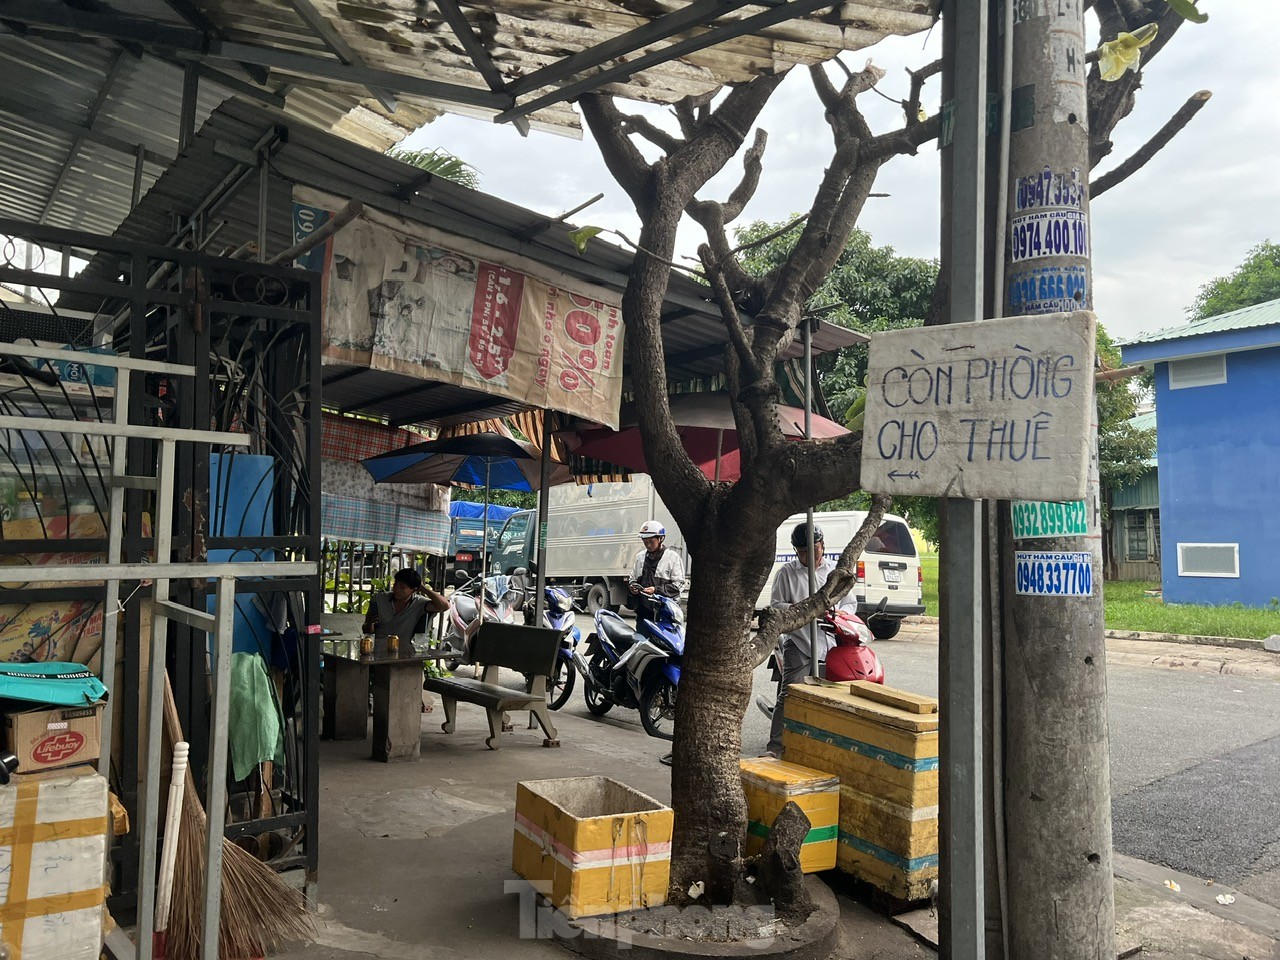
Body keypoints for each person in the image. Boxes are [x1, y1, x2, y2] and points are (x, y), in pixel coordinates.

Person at [765, 522, 858, 758]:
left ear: (822, 546)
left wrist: (837, 614)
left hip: (831, 644)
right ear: (797, 551)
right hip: (800, 642)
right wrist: (803, 610)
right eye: (803, 550)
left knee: (833, 697)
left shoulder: (833, 573)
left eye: (813, 548)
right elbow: (777, 606)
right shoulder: (786, 573)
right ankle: (775, 748)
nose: (809, 554)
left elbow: (850, 603)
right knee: (789, 694)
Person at [627, 520, 686, 628]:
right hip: (643, 613)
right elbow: (632, 578)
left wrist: (656, 590)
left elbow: (680, 584)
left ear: (661, 538)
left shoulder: (672, 558)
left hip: (665, 614)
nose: (648, 545)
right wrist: (633, 587)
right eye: (645, 542)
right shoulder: (640, 557)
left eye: (651, 541)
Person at [362, 568, 449, 640]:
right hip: (379, 650)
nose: (396, 589)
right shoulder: (379, 600)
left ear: (413, 590)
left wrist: (423, 588)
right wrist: (370, 623)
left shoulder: (419, 603)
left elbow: (444, 606)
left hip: (407, 652)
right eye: (395, 585)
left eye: (402, 587)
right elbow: (367, 632)